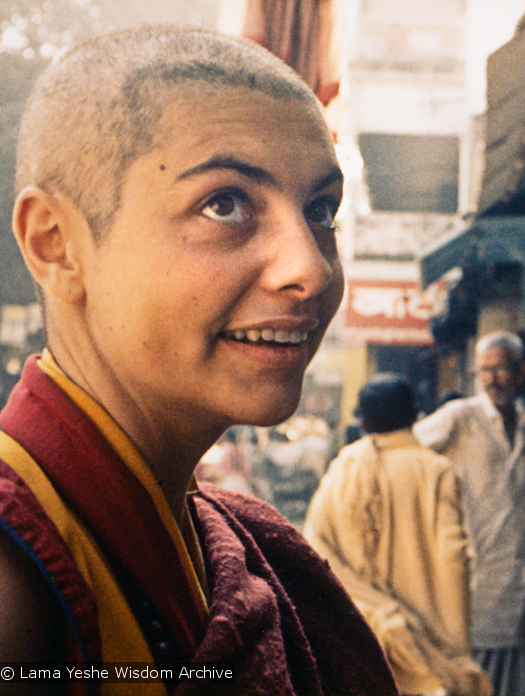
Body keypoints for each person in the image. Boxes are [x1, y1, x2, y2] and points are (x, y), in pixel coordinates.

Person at [0, 24, 397, 695]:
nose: (310, 270)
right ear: (57, 244)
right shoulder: (17, 575)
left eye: (321, 212)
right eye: (225, 203)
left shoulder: (222, 536)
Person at [304, 374, 492, 696]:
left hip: (365, 638)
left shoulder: (345, 466)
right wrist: (456, 648)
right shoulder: (436, 470)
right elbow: (453, 556)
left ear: (362, 424)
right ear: (415, 415)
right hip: (428, 651)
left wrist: (368, 605)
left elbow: (315, 543)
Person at [414, 331, 525, 696]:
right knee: (469, 679)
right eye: (484, 371)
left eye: (501, 369)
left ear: (521, 372)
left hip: (514, 581)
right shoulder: (460, 417)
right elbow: (405, 451)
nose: (491, 380)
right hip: (469, 580)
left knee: (509, 682)